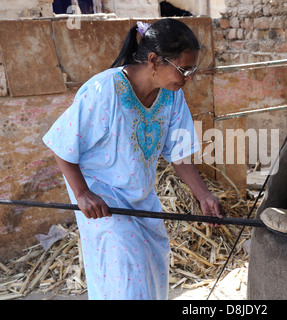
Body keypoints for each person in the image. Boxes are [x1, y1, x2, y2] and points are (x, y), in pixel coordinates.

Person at [42, 18, 224, 300]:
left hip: (142, 199)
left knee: (153, 275)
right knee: (128, 281)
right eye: (183, 69)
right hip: (103, 200)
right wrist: (82, 194)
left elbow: (179, 154)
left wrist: (203, 196)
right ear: (154, 60)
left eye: (192, 70)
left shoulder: (172, 96)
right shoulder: (105, 90)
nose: (188, 78)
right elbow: (62, 145)